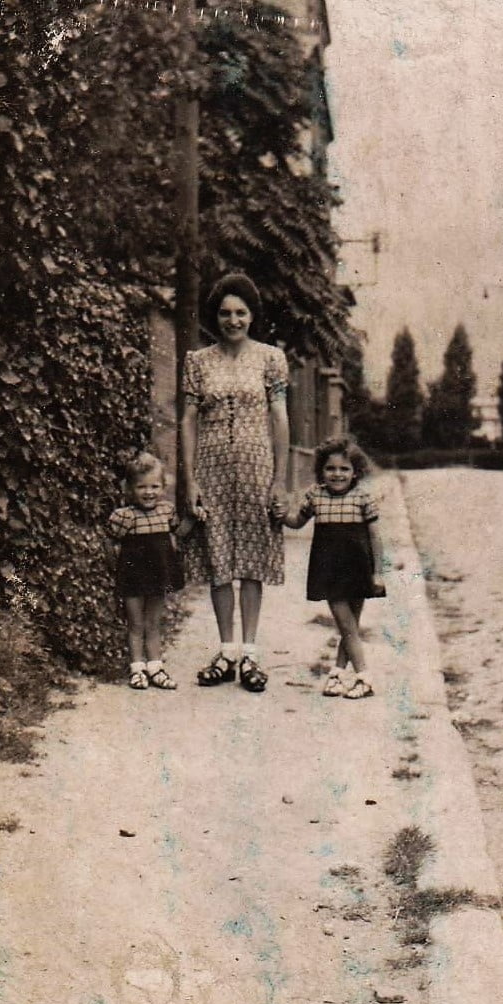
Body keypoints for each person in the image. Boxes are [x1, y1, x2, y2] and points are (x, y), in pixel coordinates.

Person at [181, 273, 289, 692]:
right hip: (211, 471)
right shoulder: (198, 361)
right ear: (216, 316)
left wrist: (279, 481)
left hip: (256, 470)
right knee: (219, 560)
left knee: (252, 562)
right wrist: (189, 480)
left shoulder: (270, 358)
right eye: (225, 313)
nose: (232, 320)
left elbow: (280, 418)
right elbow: (188, 421)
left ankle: (251, 656)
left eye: (240, 312)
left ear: (251, 315)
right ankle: (227, 652)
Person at [282, 435, 386, 699]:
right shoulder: (315, 495)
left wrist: (378, 572)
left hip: (359, 566)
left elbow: (375, 537)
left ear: (355, 472)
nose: (337, 474)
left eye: (344, 469)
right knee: (346, 624)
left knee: (349, 625)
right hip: (329, 567)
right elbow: (296, 521)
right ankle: (362, 676)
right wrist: (280, 514)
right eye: (330, 468)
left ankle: (340, 675)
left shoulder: (363, 498)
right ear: (321, 471)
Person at [108, 452, 184, 690]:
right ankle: (137, 669)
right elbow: (109, 542)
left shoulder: (166, 511)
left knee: (153, 622)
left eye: (154, 486)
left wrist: (195, 516)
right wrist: (114, 567)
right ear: (130, 488)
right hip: (132, 576)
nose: (149, 492)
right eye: (142, 487)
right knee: (136, 623)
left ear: (163, 487)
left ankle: (155, 667)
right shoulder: (123, 516)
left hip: (158, 576)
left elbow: (178, 533)